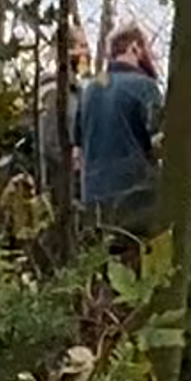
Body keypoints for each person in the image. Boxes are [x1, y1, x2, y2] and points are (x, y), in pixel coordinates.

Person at [70, 16, 163, 239]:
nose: (151, 56)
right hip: (135, 200)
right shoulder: (145, 87)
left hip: (93, 201)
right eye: (147, 48)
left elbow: (77, 154)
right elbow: (161, 144)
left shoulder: (89, 89)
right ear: (134, 48)